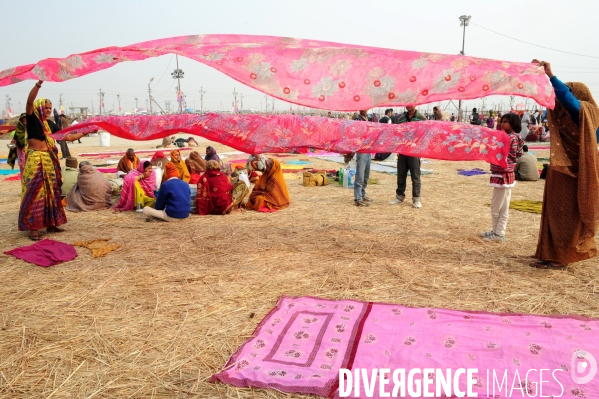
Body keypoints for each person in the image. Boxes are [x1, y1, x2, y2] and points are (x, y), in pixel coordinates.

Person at [531, 60, 599, 269]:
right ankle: (548, 252)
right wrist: (537, 78)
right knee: (553, 211)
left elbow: (568, 100)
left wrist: (551, 76)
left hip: (578, 173)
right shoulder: (567, 116)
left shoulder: (586, 113)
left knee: (568, 215)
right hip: (560, 171)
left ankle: (562, 256)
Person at [18, 80, 88, 240]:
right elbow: (29, 101)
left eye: (50, 108)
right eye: (46, 108)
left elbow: (68, 136)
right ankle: (33, 228)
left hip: (49, 160)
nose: (49, 110)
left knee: (51, 192)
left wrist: (85, 133)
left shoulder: (50, 124)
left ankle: (50, 224)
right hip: (35, 160)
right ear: (39, 107)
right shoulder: (31, 117)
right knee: (35, 192)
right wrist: (38, 84)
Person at [479, 113, 524, 242]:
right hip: (505, 175)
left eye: (505, 122)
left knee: (496, 207)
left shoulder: (509, 138)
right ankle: (498, 232)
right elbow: (518, 154)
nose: (502, 124)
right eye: (502, 121)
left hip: (503, 175)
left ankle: (497, 233)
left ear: (513, 123)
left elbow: (505, 154)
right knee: (503, 207)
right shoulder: (515, 137)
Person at [390, 105, 426, 208]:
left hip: (414, 152)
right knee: (401, 175)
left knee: (415, 176)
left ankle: (416, 199)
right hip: (402, 151)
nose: (409, 106)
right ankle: (399, 196)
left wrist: (420, 148)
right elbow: (397, 133)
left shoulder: (421, 118)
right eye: (407, 104)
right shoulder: (401, 118)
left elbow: (425, 135)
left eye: (411, 103)